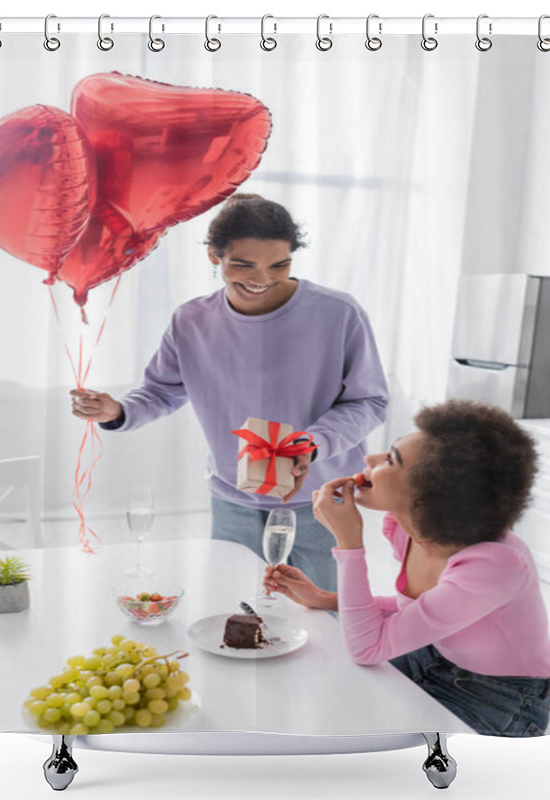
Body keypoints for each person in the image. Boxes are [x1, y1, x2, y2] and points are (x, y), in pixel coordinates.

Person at [71, 194, 388, 591]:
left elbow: (369, 401)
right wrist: (117, 410)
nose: (262, 278)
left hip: (322, 501)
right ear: (213, 256)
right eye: (243, 264)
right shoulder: (191, 320)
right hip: (233, 501)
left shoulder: (338, 313)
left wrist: (313, 443)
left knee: (329, 625)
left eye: (280, 264)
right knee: (237, 617)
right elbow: (161, 391)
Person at [263, 399, 550, 736]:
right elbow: (413, 613)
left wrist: (349, 541)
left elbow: (369, 648)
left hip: (500, 697)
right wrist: (324, 598)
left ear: (431, 494)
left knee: (372, 747)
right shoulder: (406, 529)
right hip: (431, 656)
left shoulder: (495, 565)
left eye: (390, 459)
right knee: (325, 687)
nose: (369, 460)